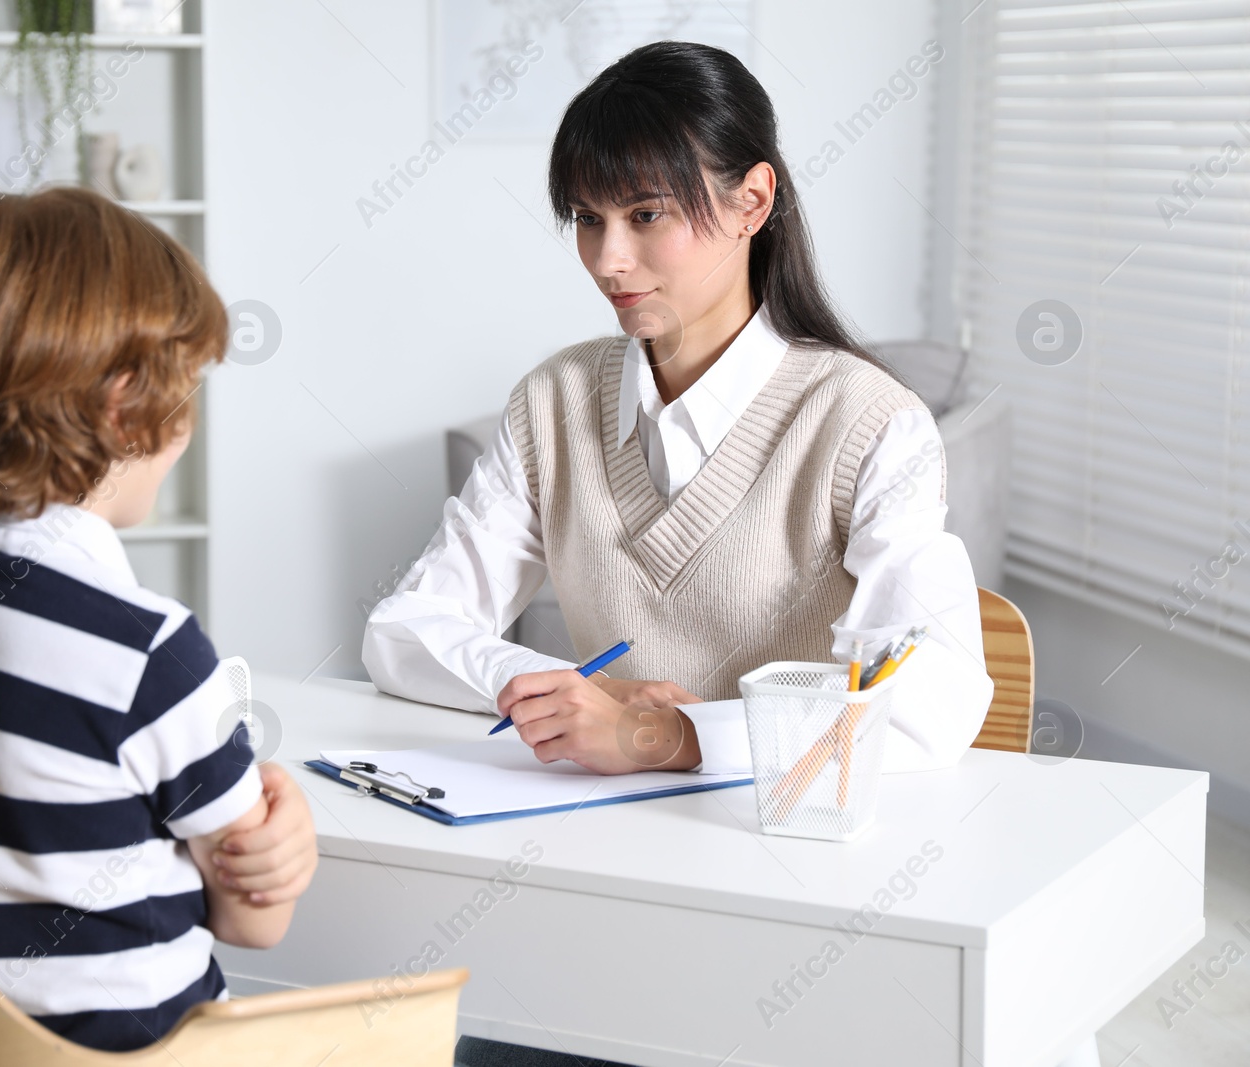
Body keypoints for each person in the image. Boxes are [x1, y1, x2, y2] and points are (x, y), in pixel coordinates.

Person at [364, 40, 992, 781]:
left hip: (785, 845)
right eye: (588, 218)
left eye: (645, 214)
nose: (607, 260)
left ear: (751, 202)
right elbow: (403, 631)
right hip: (602, 836)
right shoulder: (552, 401)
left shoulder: (871, 422)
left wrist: (671, 735)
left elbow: (933, 697)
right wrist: (579, 693)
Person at [0, 187, 318, 1052]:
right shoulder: (151, 654)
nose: (186, 425)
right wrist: (282, 839)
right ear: (125, 406)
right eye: (184, 390)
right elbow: (256, 923)